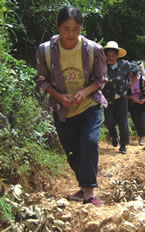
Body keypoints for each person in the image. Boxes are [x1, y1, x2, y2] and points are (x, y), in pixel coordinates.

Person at [35, 6, 107, 206]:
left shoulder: (93, 49)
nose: (71, 34)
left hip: (89, 106)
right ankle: (83, 187)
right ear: (58, 27)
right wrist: (58, 96)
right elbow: (42, 80)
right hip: (63, 110)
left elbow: (101, 79)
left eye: (76, 29)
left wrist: (84, 92)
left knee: (90, 144)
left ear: (82, 28)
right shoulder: (46, 51)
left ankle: (90, 193)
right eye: (66, 29)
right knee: (72, 152)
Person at [102, 41, 139, 154]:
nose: (110, 58)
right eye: (108, 56)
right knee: (109, 121)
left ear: (117, 55)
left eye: (113, 55)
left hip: (122, 97)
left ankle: (123, 145)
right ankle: (114, 135)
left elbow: (136, 67)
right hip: (107, 98)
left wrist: (133, 81)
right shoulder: (103, 67)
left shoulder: (124, 64)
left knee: (123, 122)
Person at [128, 62, 145, 145]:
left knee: (142, 119)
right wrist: (132, 98)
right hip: (132, 103)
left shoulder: (144, 78)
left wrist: (144, 99)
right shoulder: (127, 80)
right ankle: (140, 134)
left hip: (143, 102)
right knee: (136, 120)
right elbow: (124, 92)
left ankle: (142, 136)